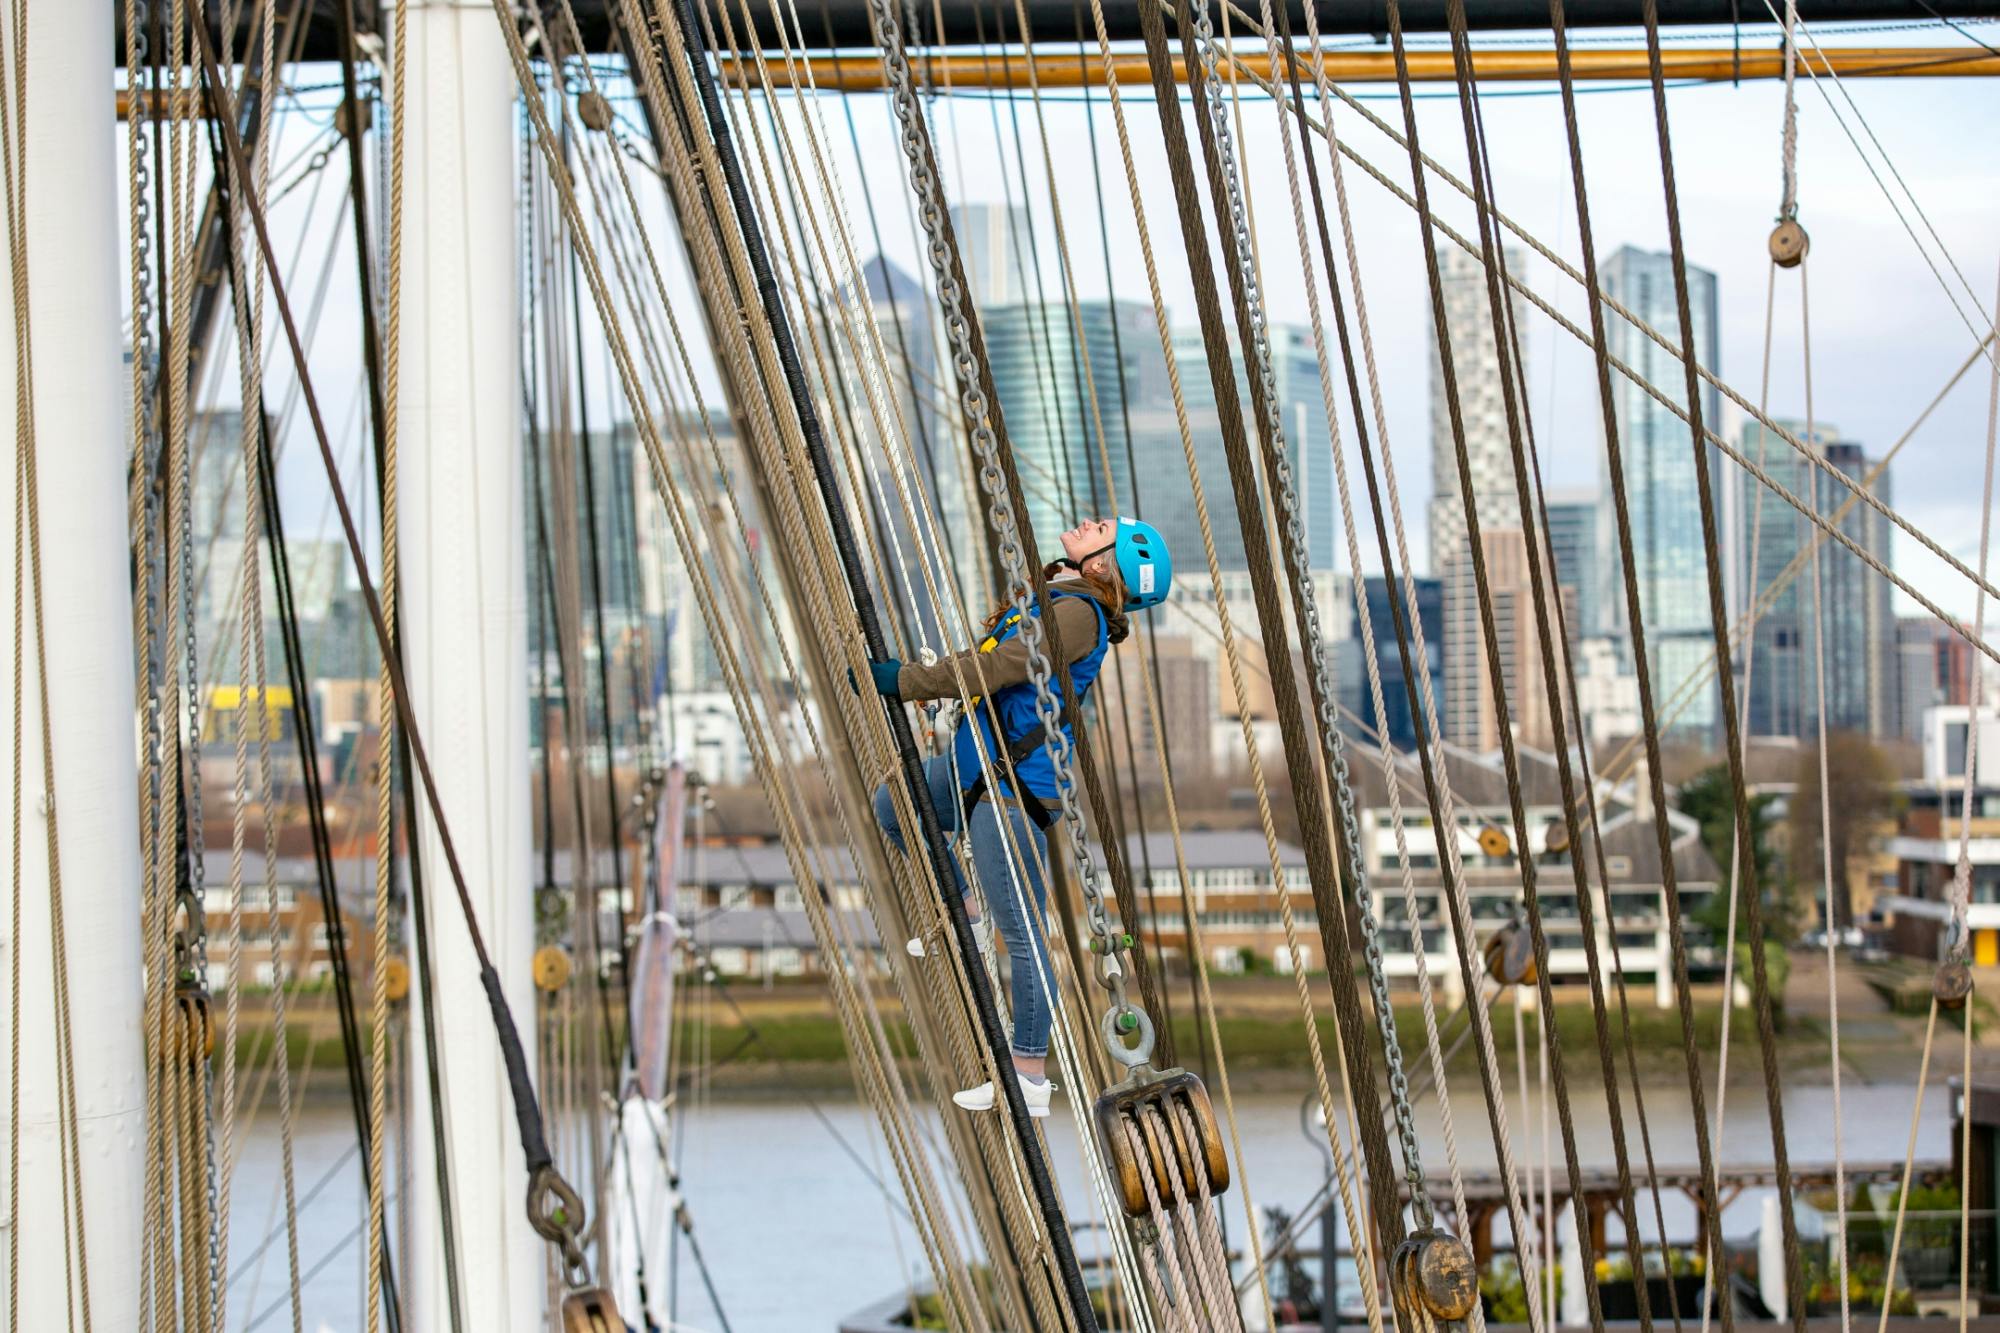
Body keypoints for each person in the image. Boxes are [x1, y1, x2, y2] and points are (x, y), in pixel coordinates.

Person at [865, 516, 1172, 1117]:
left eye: (1102, 528)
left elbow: (999, 666)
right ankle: (967, 915)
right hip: (975, 769)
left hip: (1008, 791)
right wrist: (935, 686)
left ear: (1107, 562)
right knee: (894, 806)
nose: (1089, 523)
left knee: (1027, 938)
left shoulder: (1078, 614)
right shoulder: (1061, 597)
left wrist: (903, 681)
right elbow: (999, 672)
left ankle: (1028, 1073)